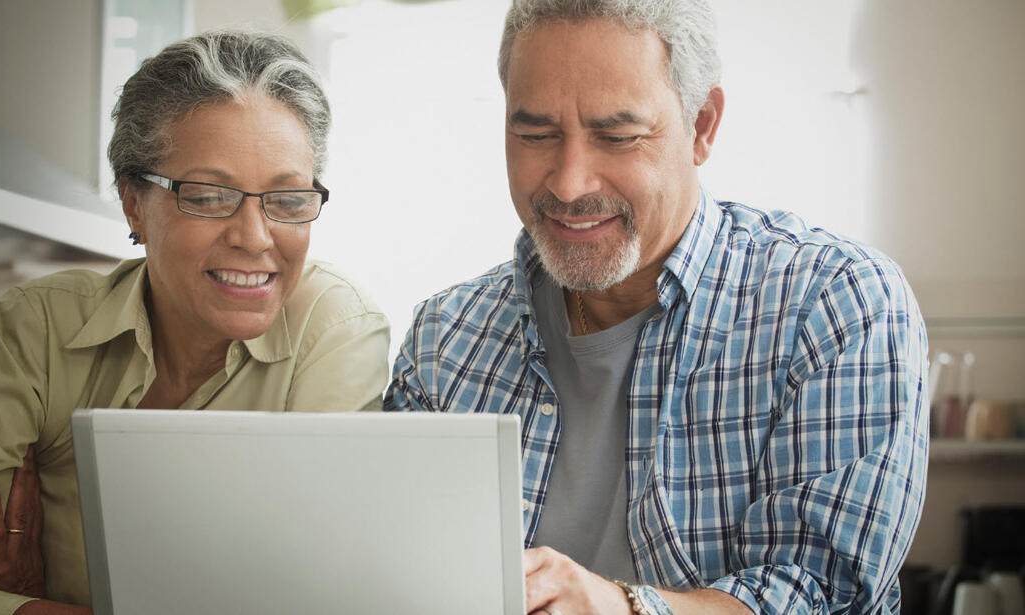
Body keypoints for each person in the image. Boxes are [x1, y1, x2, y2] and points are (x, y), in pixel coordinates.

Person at [384, 1, 928, 614]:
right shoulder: (442, 342)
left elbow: (819, 595)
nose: (569, 183)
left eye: (616, 137)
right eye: (535, 134)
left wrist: (622, 608)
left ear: (702, 126)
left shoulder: (836, 306)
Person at [0, 30, 390, 614]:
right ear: (134, 203)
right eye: (207, 196)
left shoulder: (334, 329)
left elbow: (311, 599)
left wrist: (28, 606)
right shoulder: (39, 328)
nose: (255, 239)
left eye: (287, 200)